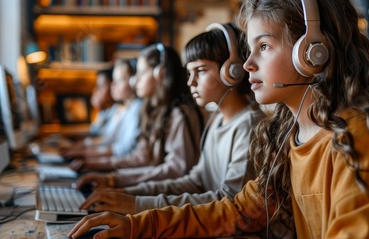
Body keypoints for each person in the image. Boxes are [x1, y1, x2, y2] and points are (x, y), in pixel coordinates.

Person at [66, 0, 369, 239]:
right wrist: (138, 225)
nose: (248, 65)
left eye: (263, 47)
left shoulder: (355, 140)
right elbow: (236, 210)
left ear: (312, 52)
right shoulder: (289, 135)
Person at [76, 23, 264, 215]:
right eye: (190, 73)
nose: (191, 82)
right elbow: (195, 181)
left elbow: (229, 201)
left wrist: (136, 202)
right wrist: (127, 194)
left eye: (200, 71)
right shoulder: (217, 120)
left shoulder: (248, 126)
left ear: (233, 71)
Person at [69, 43, 204, 188]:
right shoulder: (155, 111)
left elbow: (176, 171)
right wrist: (101, 170)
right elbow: (141, 158)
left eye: (141, 73)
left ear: (160, 73)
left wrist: (113, 179)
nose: (134, 81)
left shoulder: (179, 114)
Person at [61, 59, 142, 158]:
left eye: (119, 80)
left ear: (133, 81)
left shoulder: (136, 108)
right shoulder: (122, 108)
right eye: (113, 80)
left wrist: (83, 153)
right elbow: (104, 138)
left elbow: (119, 147)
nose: (113, 85)